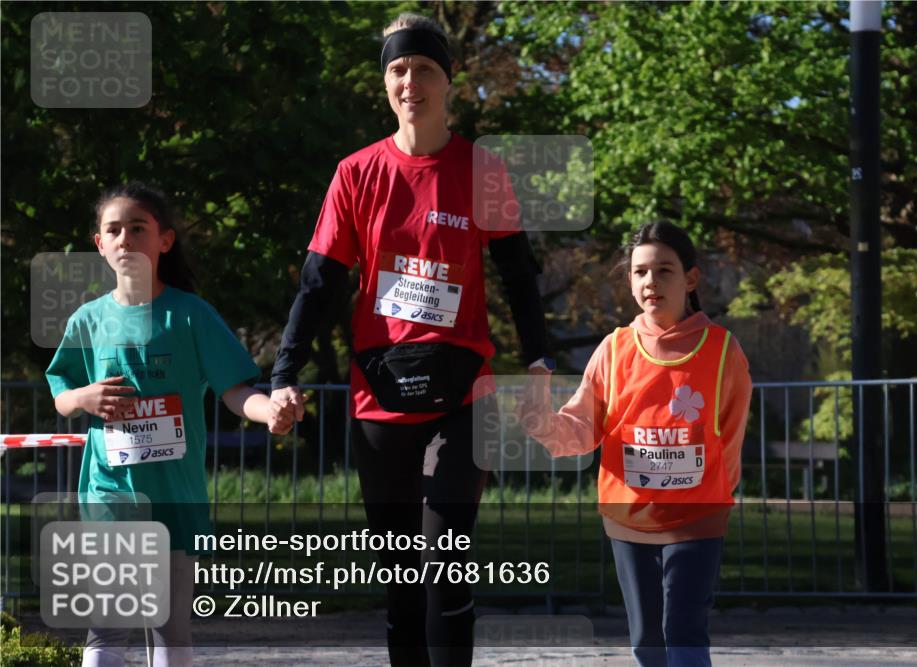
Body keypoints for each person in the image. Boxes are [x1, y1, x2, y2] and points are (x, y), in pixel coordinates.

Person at [268, 12, 550, 667]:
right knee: (401, 577)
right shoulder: (357, 173)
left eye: (424, 69)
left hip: (464, 397)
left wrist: (538, 359)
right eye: (398, 69)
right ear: (385, 82)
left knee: (444, 556)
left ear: (448, 81)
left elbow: (519, 274)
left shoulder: (482, 171)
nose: (410, 81)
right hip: (380, 397)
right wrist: (285, 372)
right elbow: (320, 284)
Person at [46, 182, 293, 667]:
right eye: (113, 230)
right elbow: (61, 394)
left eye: (138, 228)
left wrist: (272, 413)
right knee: (107, 629)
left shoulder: (191, 315)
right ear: (99, 244)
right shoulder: (88, 320)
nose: (125, 239)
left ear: (165, 240)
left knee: (169, 627)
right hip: (108, 494)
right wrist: (83, 397)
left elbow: (236, 391)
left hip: (175, 498)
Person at [518, 221, 752, 667]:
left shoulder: (723, 350)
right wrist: (542, 422)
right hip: (627, 516)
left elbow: (730, 436)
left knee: (683, 629)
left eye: (664, 270)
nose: (651, 282)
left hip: (696, 517)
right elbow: (582, 428)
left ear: (691, 279)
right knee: (646, 637)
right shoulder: (613, 349)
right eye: (640, 272)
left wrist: (712, 496)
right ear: (629, 281)